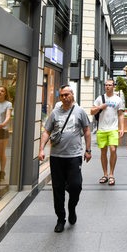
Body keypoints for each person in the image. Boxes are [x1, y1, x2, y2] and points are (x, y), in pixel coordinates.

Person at [39, 85, 93, 233]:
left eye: (67, 94)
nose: (64, 97)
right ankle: (60, 219)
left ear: (72, 95)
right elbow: (46, 131)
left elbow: (87, 131)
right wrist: (41, 149)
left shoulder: (79, 111)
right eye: (62, 95)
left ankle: (72, 208)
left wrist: (88, 150)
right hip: (56, 157)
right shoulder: (55, 113)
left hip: (74, 156)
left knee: (76, 186)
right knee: (57, 189)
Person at [91, 79, 124, 186]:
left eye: (109, 85)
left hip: (113, 129)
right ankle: (105, 174)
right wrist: (100, 107)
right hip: (101, 129)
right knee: (103, 152)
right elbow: (92, 111)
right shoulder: (100, 98)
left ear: (113, 86)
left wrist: (122, 128)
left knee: (113, 150)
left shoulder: (118, 99)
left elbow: (120, 114)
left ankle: (111, 174)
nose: (107, 87)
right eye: (106, 85)